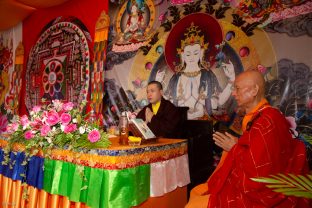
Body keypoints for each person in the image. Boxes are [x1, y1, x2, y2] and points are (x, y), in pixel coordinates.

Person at [185, 70, 310, 207]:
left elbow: (262, 169)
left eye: (237, 88)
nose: (233, 93)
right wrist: (237, 145)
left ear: (254, 90)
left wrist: (234, 148)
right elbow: (258, 150)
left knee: (197, 202)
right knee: (198, 192)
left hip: (263, 190)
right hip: (246, 177)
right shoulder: (255, 116)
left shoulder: (268, 119)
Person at [166, 23, 235, 120]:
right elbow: (167, 104)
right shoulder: (177, 77)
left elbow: (219, 101)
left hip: (203, 123)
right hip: (179, 125)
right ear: (182, 55)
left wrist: (232, 79)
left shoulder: (207, 75)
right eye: (188, 54)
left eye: (195, 53)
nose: (192, 57)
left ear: (201, 53)